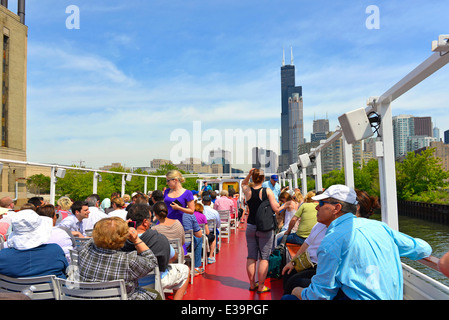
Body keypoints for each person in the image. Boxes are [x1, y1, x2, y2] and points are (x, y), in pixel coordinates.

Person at [286, 184, 432, 300]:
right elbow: (424, 248)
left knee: (290, 295)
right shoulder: (379, 227)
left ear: (336, 208)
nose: (316, 207)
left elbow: (321, 296)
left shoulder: (332, 241)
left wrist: (298, 292)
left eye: (322, 203)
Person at [77, 217, 161, 300]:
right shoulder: (128, 260)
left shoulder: (85, 250)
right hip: (123, 297)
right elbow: (152, 262)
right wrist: (136, 240)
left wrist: (114, 228)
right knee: (156, 295)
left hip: (88, 296)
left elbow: (93, 240)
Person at [122, 203, 190, 300]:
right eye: (150, 218)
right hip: (154, 281)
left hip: (127, 283)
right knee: (184, 270)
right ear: (145, 222)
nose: (151, 222)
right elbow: (173, 257)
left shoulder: (118, 241)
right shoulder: (158, 238)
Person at [242, 168, 280, 294]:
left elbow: (243, 184)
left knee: (251, 257)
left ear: (253, 178)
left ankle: (252, 284)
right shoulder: (267, 190)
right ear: (263, 179)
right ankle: (261, 286)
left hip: (251, 226)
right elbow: (276, 208)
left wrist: (249, 174)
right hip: (264, 227)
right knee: (264, 257)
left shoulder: (247, 190)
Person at [0, 209, 68, 279]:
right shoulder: (55, 251)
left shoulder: (2, 256)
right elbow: (66, 271)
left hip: (13, 289)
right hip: (53, 289)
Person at [182, 203, 204, 275]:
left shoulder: (167, 214)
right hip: (185, 246)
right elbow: (199, 234)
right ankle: (196, 267)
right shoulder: (189, 214)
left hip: (168, 246)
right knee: (199, 238)